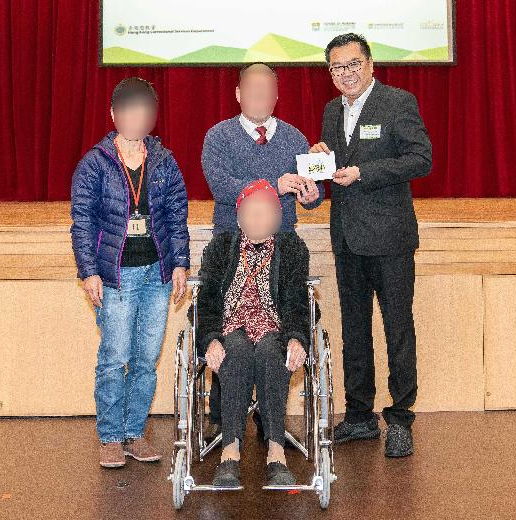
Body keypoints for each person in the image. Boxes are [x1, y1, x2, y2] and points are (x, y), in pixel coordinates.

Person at [309, 33, 432, 458]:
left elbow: (421, 159)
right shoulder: (330, 111)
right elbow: (332, 169)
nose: (347, 74)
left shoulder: (398, 102)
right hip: (346, 236)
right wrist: (320, 160)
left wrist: (364, 172)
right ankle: (359, 414)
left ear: (371, 64)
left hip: (391, 237)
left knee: (398, 327)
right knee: (355, 329)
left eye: (353, 64)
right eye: (337, 68)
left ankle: (400, 416)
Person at [70, 77, 189, 468]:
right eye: (129, 109)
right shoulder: (95, 163)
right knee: (114, 355)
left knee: (145, 358)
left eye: (144, 109)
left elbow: (176, 217)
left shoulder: (165, 161)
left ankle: (135, 432)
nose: (137, 117)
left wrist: (180, 263)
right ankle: (110, 436)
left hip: (156, 275)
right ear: (114, 114)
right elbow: (82, 222)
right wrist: (89, 271)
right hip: (115, 276)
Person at [201, 62, 324, 438]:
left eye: (266, 90)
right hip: (232, 251)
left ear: (276, 96)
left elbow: (309, 200)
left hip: (281, 252)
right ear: (238, 94)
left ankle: (270, 420)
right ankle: (224, 421)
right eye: (251, 90)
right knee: (230, 330)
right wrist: (274, 183)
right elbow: (220, 185)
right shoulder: (218, 136)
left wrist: (310, 195)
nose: (259, 96)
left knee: (278, 329)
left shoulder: (294, 138)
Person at [195, 179, 310, 487]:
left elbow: (298, 302)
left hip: (274, 326)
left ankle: (276, 452)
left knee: (274, 353)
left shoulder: (291, 249)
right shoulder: (220, 247)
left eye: (265, 212)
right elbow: (205, 303)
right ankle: (230, 452)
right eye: (251, 212)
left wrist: (297, 338)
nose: (258, 219)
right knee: (236, 353)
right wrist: (210, 339)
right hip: (231, 325)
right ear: (238, 217)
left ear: (277, 217)